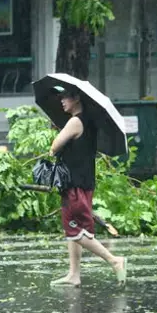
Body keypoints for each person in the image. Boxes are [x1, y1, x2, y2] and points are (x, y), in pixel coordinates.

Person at [49, 86, 127, 287]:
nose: (61, 101)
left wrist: (59, 135)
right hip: (82, 181)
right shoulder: (87, 122)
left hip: (75, 183)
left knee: (75, 229)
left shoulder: (75, 122)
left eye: (65, 97)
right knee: (73, 230)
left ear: (76, 98)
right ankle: (74, 274)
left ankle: (114, 260)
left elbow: (53, 148)